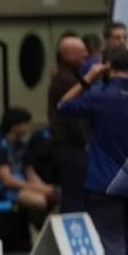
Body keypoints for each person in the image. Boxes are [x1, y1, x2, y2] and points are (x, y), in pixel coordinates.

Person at [58, 45, 128, 255]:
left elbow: (63, 105)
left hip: (105, 181)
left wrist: (88, 78)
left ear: (105, 65)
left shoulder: (100, 96)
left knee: (114, 243)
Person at [0, 107, 58, 221]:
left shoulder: (22, 146)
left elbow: (30, 172)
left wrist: (44, 187)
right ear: (14, 126)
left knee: (55, 196)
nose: (28, 127)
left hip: (21, 186)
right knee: (43, 201)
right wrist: (37, 189)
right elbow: (7, 181)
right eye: (25, 123)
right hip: (2, 189)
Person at [47, 33, 90, 213]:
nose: (86, 56)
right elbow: (74, 118)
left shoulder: (65, 76)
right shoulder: (68, 81)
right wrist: (86, 141)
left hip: (66, 147)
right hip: (71, 147)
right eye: (81, 53)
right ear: (67, 56)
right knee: (74, 196)